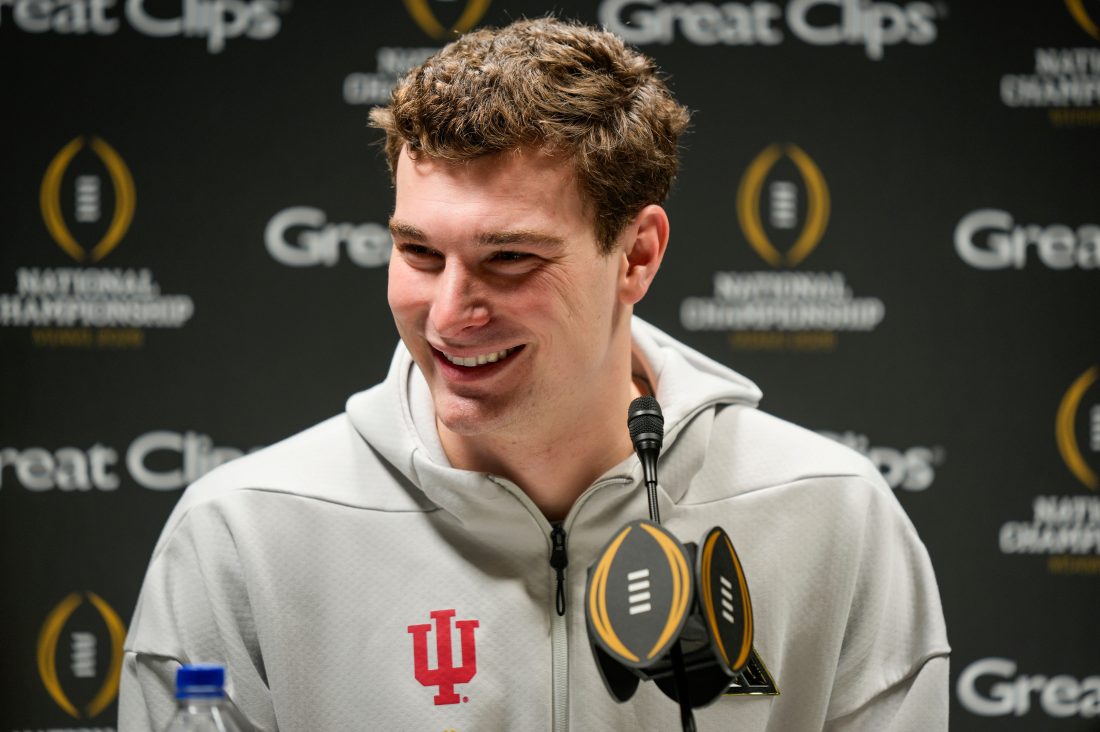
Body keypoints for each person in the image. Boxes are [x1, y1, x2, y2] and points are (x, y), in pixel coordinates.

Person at [119, 17, 949, 731]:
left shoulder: (831, 513)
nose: (447, 313)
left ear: (638, 256)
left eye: (508, 258)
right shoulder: (244, 534)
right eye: (417, 253)